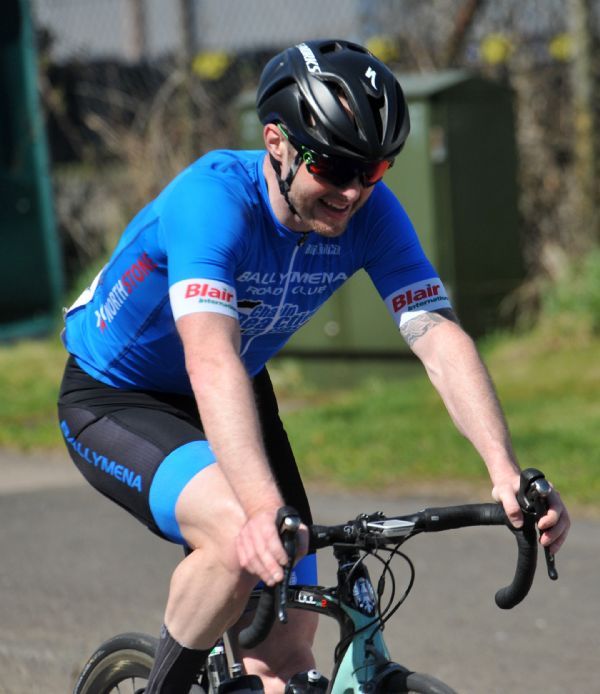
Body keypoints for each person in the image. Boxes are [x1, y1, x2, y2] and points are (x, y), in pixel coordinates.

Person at [57, 39, 570, 693]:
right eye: (333, 166)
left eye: (373, 169)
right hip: (120, 397)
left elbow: (437, 335)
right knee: (237, 540)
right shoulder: (213, 201)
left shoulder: (369, 212)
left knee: (286, 649)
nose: (352, 192)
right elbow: (210, 357)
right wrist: (259, 509)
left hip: (237, 388)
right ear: (276, 142)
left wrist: (506, 472)